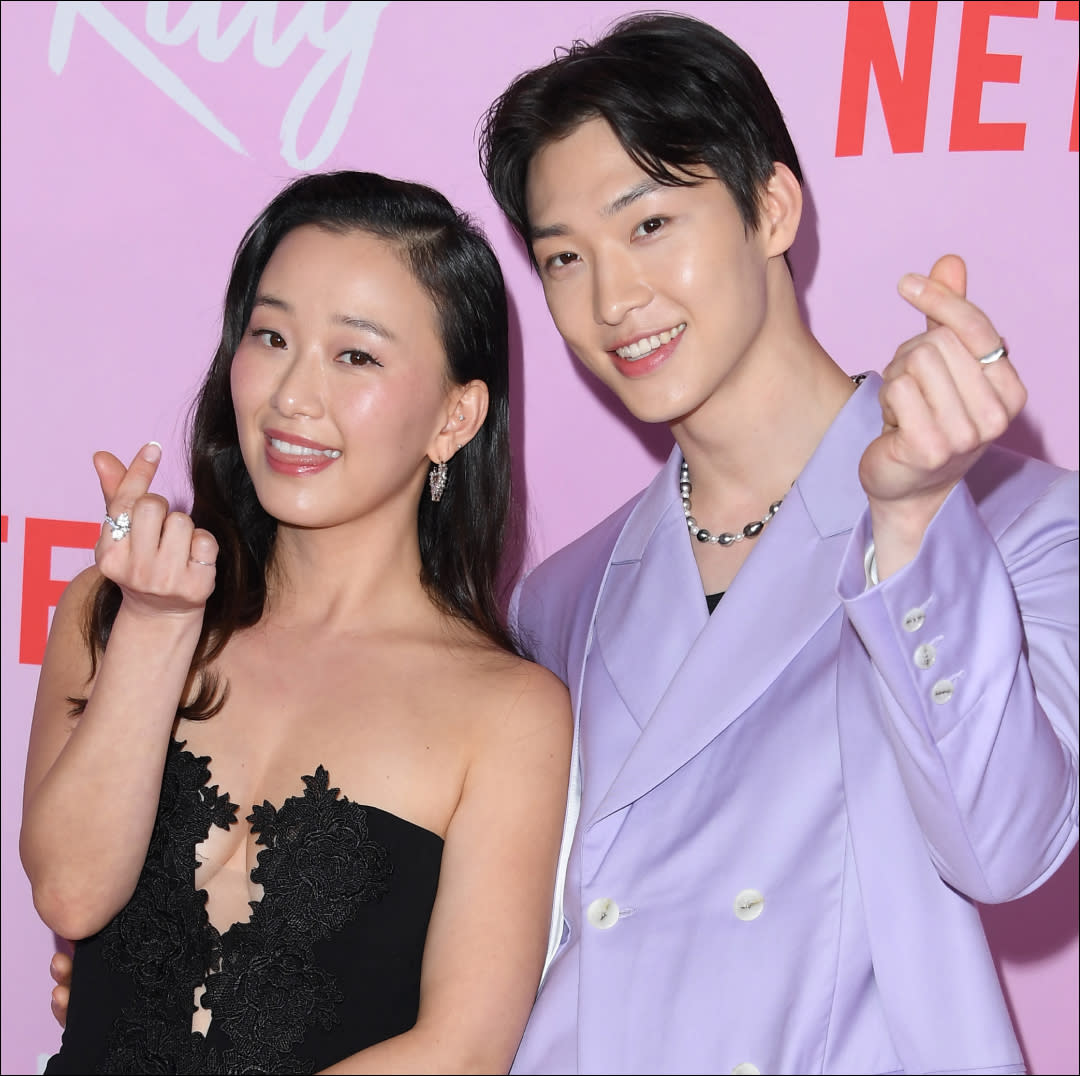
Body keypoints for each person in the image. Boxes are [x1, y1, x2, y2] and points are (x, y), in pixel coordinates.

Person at [473, 11, 1079, 1076]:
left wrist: (916, 518)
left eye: (649, 224)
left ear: (772, 206)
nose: (614, 299)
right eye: (564, 257)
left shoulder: (1029, 523)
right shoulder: (560, 600)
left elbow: (1005, 848)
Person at [21, 169, 572, 1074]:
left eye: (355, 356)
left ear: (455, 415)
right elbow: (72, 894)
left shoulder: (508, 711)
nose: (291, 397)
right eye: (271, 336)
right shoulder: (110, 610)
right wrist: (158, 631)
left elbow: (463, 1048)